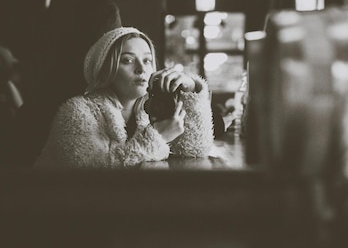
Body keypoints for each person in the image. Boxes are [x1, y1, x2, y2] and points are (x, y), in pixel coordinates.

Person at [34, 27, 214, 168]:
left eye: (147, 60)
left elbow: (196, 149)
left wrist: (192, 89)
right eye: (128, 60)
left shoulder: (150, 111)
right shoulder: (77, 112)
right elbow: (92, 175)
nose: (141, 69)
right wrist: (157, 137)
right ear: (106, 70)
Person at [6, 0, 122, 165]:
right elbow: (97, 169)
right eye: (117, 38)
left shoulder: (54, 78)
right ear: (105, 39)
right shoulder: (78, 99)